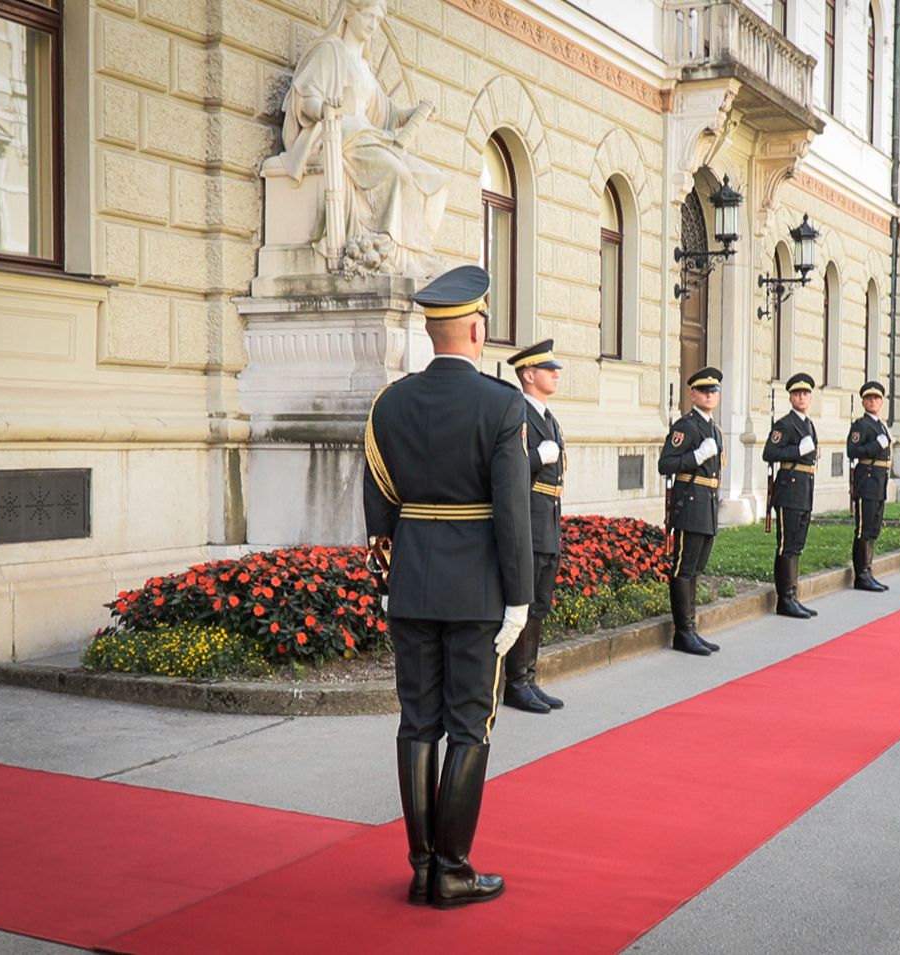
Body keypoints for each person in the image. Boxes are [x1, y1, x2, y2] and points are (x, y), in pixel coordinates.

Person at [363, 265, 532, 908]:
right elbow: (512, 512)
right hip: (477, 591)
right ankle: (452, 869)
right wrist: (518, 597)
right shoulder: (502, 404)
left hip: (411, 582)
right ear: (477, 330)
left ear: (433, 332)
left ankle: (420, 868)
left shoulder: (390, 403)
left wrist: (388, 579)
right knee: (468, 723)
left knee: (417, 722)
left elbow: (378, 503)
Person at [279, 0, 449, 278]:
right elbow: (306, 98)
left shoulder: (364, 66)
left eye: (379, 20)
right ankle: (402, 258)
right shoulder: (329, 52)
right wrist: (325, 110)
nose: (374, 25)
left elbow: (387, 115)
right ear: (349, 12)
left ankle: (418, 254)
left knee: (435, 181)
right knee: (397, 173)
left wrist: (417, 113)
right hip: (343, 133)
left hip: (370, 136)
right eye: (369, 16)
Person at [502, 340, 567, 714]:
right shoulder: (517, 414)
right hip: (528, 519)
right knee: (524, 603)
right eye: (548, 369)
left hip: (547, 520)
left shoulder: (548, 417)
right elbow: (506, 469)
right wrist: (536, 457)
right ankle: (515, 683)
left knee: (539, 605)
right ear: (528, 374)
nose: (556, 374)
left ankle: (528, 677)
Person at [658, 368, 725, 655]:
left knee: (695, 569)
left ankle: (691, 628)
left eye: (714, 391)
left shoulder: (715, 430)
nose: (709, 395)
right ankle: (683, 633)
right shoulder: (686, 426)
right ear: (693, 394)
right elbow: (666, 464)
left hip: (707, 503)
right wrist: (697, 456)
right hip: (690, 503)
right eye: (703, 390)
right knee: (683, 569)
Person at [763, 373, 822, 617]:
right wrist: (797, 450)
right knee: (786, 546)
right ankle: (784, 599)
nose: (802, 397)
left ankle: (793, 595)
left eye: (805, 393)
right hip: (789, 490)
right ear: (790, 397)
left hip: (804, 489)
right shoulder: (784, 424)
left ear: (810, 397)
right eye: (797, 394)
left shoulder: (809, 423)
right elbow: (769, 453)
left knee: (797, 546)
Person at [846, 381, 893, 591]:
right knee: (864, 529)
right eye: (869, 398)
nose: (872, 401)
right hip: (867, 480)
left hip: (879, 481)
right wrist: (876, 445)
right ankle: (862, 575)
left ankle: (868, 570)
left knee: (873, 527)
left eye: (876, 398)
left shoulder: (881, 425)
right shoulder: (861, 425)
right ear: (863, 402)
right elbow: (852, 450)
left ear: (882, 401)